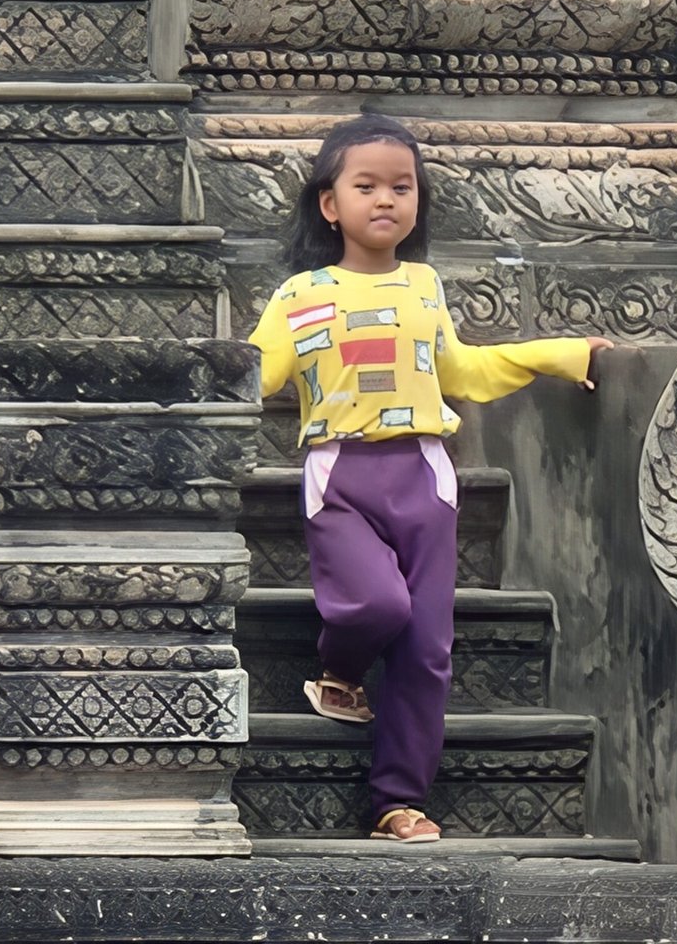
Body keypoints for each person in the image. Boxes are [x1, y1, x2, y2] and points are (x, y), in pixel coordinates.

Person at [247, 114, 614, 843]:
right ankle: (339, 672)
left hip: (424, 474)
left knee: (426, 648)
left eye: (402, 187)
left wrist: (560, 354)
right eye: (366, 186)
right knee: (374, 606)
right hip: (340, 473)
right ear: (330, 204)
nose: (386, 199)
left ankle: (396, 802)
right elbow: (257, 372)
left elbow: (462, 371)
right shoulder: (299, 296)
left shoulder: (424, 286)